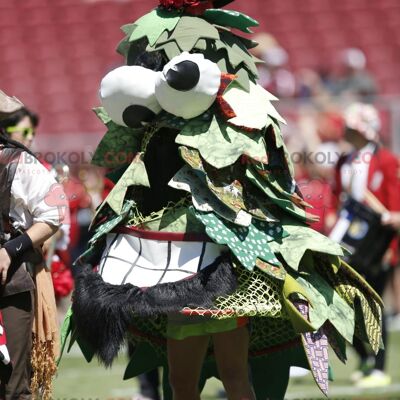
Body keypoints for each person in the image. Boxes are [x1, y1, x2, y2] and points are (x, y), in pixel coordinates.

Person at [65, 2, 384, 399]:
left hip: (206, 270)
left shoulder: (218, 128)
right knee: (207, 380)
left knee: (206, 381)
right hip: (196, 271)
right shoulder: (163, 132)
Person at [0, 93, 65, 399]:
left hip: (9, 280)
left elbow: (53, 214)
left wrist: (9, 250)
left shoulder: (18, 161)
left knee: (13, 382)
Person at [333, 102, 400, 387]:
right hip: (348, 241)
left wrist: (392, 248)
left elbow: (395, 207)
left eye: (351, 127)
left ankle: (379, 368)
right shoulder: (343, 161)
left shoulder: (386, 160)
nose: (346, 131)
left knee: (375, 306)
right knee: (341, 303)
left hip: (378, 242)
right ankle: (364, 357)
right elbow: (338, 200)